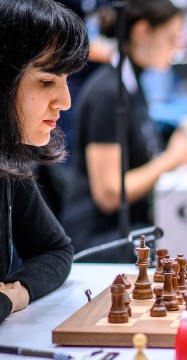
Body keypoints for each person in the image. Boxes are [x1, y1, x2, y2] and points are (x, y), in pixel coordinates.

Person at [61, 0, 187, 263]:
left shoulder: (131, 83)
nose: (177, 47)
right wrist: (175, 157)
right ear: (142, 32)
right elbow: (109, 193)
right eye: (171, 38)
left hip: (130, 228)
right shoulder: (109, 94)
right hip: (99, 238)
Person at [0, 0, 89, 323]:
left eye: (66, 80)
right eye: (47, 81)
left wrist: (18, 293)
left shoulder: (7, 159)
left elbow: (55, 250)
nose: (65, 101)